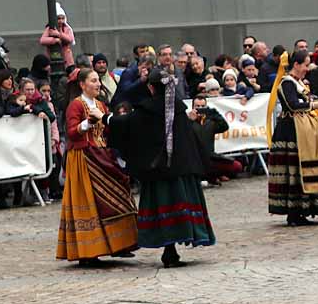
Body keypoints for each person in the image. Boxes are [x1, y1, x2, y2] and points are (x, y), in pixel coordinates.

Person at [107, 69, 216, 267]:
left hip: (158, 172)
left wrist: (108, 120)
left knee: (164, 206)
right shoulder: (179, 108)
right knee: (180, 205)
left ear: (150, 87)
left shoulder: (146, 111)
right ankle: (171, 251)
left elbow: (127, 127)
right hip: (181, 170)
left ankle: (170, 250)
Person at [54, 69, 139, 266]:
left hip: (102, 154)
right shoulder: (76, 105)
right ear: (82, 84)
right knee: (89, 200)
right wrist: (88, 122)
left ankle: (121, 243)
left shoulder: (101, 104)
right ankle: (88, 250)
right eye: (93, 81)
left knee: (120, 191)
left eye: (98, 81)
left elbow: (108, 130)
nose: (98, 84)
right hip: (83, 157)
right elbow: (72, 132)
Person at [265, 51, 318, 226]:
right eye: (305, 65)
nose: (307, 69)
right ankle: (295, 212)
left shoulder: (297, 82)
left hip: (305, 127)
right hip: (292, 131)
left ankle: (317, 205)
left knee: (316, 164)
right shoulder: (286, 82)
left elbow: (306, 100)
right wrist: (314, 104)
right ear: (296, 64)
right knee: (298, 170)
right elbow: (292, 104)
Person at [190, 91, 242, 186]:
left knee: (236, 166)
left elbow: (224, 126)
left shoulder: (210, 122)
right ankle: (209, 177)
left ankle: (214, 175)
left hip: (210, 158)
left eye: (203, 107)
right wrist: (189, 121)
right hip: (194, 160)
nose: (200, 109)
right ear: (193, 107)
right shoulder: (187, 121)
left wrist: (213, 113)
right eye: (197, 106)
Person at [40, 4, 76, 68]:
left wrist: (59, 34)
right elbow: (42, 40)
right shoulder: (49, 29)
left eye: (62, 18)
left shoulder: (67, 28)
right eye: (58, 18)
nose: (61, 21)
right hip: (52, 57)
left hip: (67, 59)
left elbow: (70, 39)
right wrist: (54, 40)